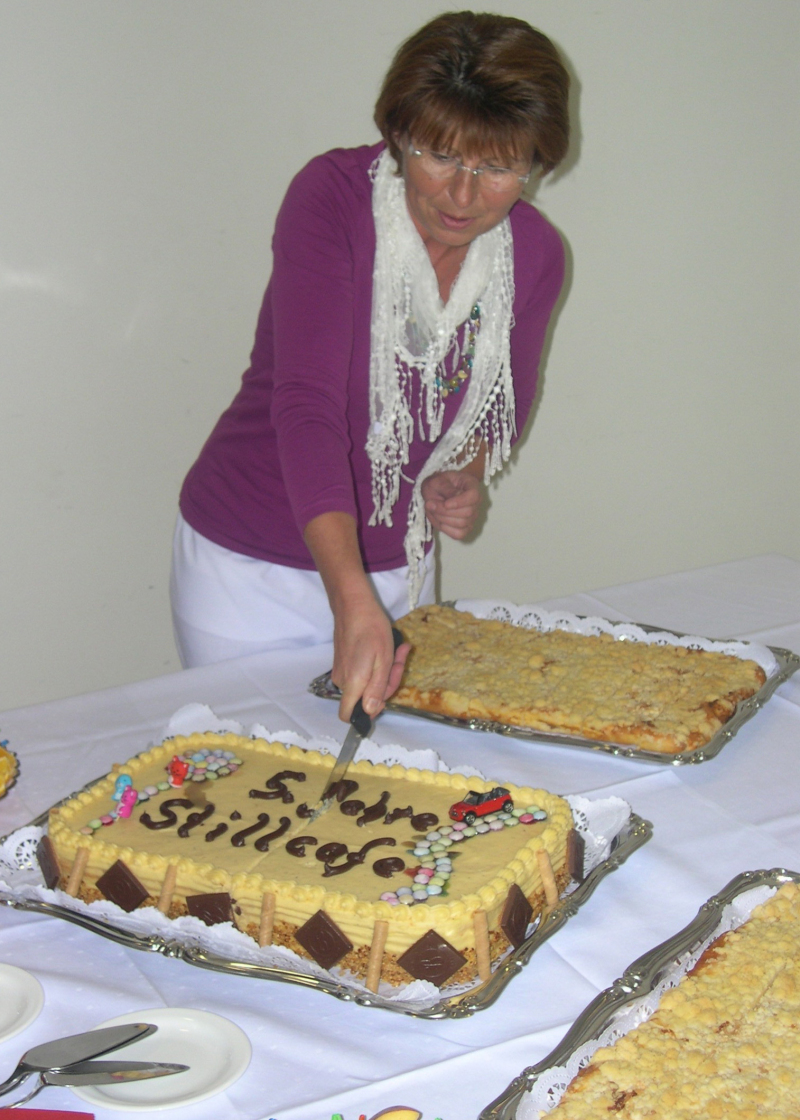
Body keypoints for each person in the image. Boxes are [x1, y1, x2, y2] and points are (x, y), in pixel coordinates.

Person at [171, 11, 570, 723]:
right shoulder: (332, 200)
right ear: (397, 133)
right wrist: (353, 599)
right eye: (439, 154)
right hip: (252, 566)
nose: (462, 194)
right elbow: (307, 404)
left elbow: (500, 402)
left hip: (395, 566)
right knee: (251, 798)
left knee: (380, 796)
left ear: (538, 162)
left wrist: (465, 471)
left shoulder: (535, 255)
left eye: (500, 167)